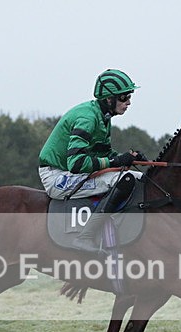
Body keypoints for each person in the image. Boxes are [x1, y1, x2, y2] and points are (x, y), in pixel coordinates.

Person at [39, 69, 146, 253]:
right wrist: (117, 161)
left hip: (72, 172)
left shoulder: (103, 117)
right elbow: (77, 164)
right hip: (57, 176)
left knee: (139, 177)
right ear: (108, 99)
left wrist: (130, 157)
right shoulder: (88, 118)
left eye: (129, 96)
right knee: (124, 179)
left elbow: (105, 155)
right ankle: (85, 238)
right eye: (124, 97)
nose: (128, 102)